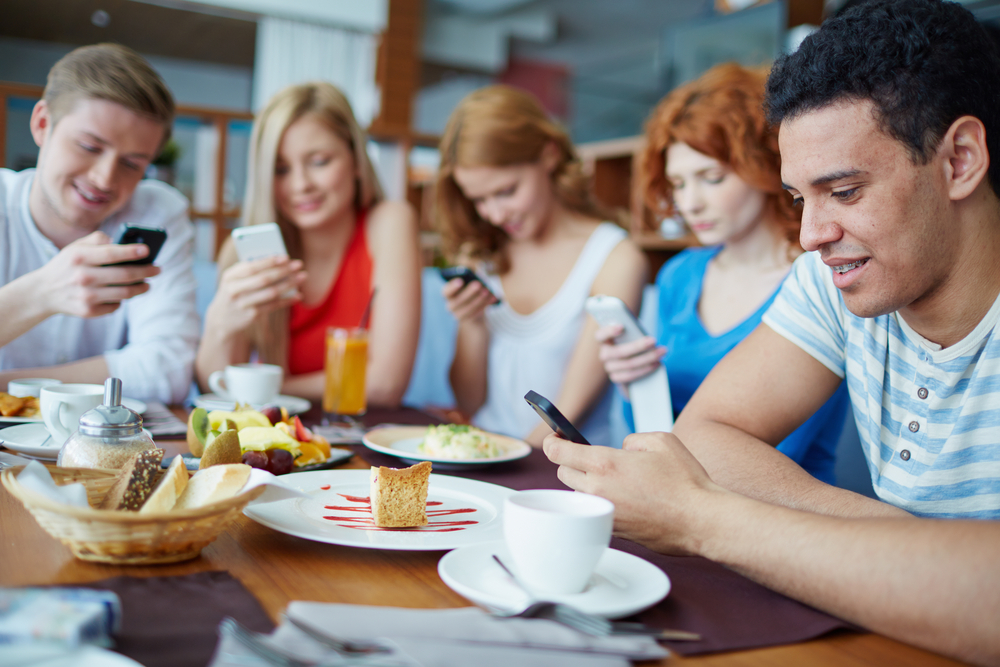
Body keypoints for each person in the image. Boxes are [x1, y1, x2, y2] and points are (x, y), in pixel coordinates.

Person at [543, 0, 1000, 663]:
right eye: (798, 198)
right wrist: (910, 548)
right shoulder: (835, 276)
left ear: (958, 160)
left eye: (844, 192)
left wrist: (702, 518)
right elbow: (706, 433)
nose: (811, 234)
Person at [597, 63, 849, 483]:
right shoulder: (680, 274)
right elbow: (651, 430)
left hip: (779, 518)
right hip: (677, 497)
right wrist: (634, 384)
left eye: (711, 178)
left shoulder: (821, 280)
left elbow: (778, 454)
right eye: (678, 184)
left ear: (766, 165)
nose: (690, 203)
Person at [436, 85, 648, 447]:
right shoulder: (481, 256)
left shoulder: (615, 259)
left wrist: (500, 461)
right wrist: (471, 325)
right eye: (479, 200)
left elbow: (567, 415)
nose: (496, 214)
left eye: (506, 191)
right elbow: (470, 403)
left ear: (549, 155)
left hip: (559, 470)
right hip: (488, 459)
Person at [196, 82, 420, 406]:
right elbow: (214, 391)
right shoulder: (241, 251)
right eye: (281, 169)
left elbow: (386, 384)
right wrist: (219, 324)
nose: (300, 185)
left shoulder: (390, 222)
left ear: (356, 160)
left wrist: (269, 389)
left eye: (319, 161)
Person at [0, 43, 199, 404]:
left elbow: (169, 369)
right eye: (90, 147)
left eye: (132, 164)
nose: (105, 179)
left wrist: (14, 390)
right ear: (42, 124)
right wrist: (41, 292)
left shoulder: (158, 214)